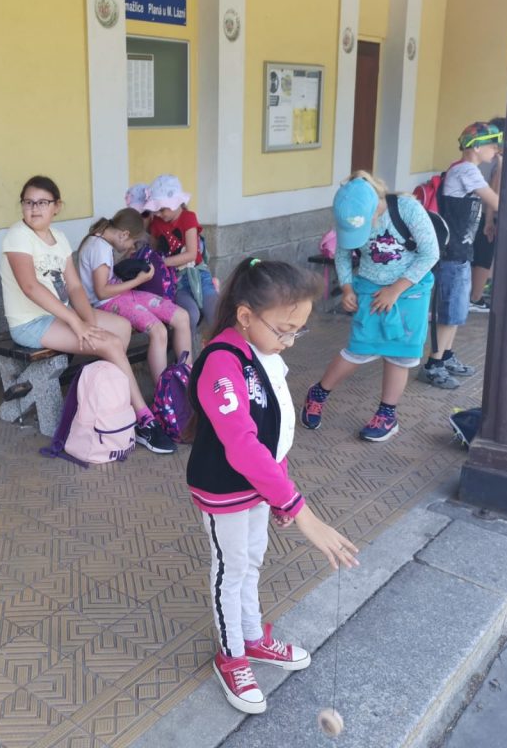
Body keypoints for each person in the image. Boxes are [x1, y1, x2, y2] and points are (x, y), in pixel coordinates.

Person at [186, 257, 359, 714]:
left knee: (252, 560)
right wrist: (301, 510)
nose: (290, 341)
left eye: (298, 331)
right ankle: (231, 656)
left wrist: (279, 495)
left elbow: (275, 432)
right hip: (223, 488)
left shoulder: (264, 354)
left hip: (258, 487)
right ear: (245, 316)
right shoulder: (221, 362)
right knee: (230, 569)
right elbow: (242, 444)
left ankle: (251, 636)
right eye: (284, 330)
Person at [0, 175, 175, 454]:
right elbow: (30, 287)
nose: (34, 208)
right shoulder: (18, 235)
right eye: (28, 202)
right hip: (31, 323)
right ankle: (143, 418)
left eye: (42, 202)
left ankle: (110, 403)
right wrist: (77, 322)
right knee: (110, 344)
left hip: (60, 314)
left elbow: (74, 286)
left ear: (56, 206)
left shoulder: (58, 238)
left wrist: (89, 323)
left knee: (120, 328)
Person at [301, 172, 439, 440]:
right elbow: (342, 254)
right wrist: (347, 287)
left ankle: (387, 415)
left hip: (409, 291)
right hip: (370, 290)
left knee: (400, 354)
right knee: (359, 348)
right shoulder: (349, 214)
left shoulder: (407, 209)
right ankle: (318, 392)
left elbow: (430, 253)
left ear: (375, 206)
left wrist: (395, 290)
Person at [419, 121, 501, 389]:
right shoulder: (467, 170)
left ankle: (446, 356)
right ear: (476, 147)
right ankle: (433, 365)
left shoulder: (464, 170)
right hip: (452, 253)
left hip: (460, 251)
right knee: (449, 312)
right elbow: (497, 201)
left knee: (455, 309)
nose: (496, 150)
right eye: (492, 145)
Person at [76, 207, 192, 382]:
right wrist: (139, 280)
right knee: (158, 331)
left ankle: (187, 380)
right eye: (132, 242)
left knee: (182, 316)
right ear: (124, 234)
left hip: (124, 294)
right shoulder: (99, 248)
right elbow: (102, 292)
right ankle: (164, 391)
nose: (131, 246)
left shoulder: (102, 242)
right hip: (107, 302)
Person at [146, 174, 219, 330]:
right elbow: (153, 251)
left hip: (198, 275)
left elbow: (191, 254)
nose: (157, 214)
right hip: (175, 281)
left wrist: (162, 263)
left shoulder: (188, 218)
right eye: (155, 210)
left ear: (175, 203)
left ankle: (220, 344)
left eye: (161, 209)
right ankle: (187, 346)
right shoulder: (157, 223)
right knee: (191, 314)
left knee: (215, 313)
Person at [469, 116, 506, 313]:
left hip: (471, 211)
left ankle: (471, 295)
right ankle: (475, 297)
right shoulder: (497, 160)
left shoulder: (478, 156)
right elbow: (494, 193)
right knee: (484, 256)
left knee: (474, 255)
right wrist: (490, 220)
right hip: (484, 212)